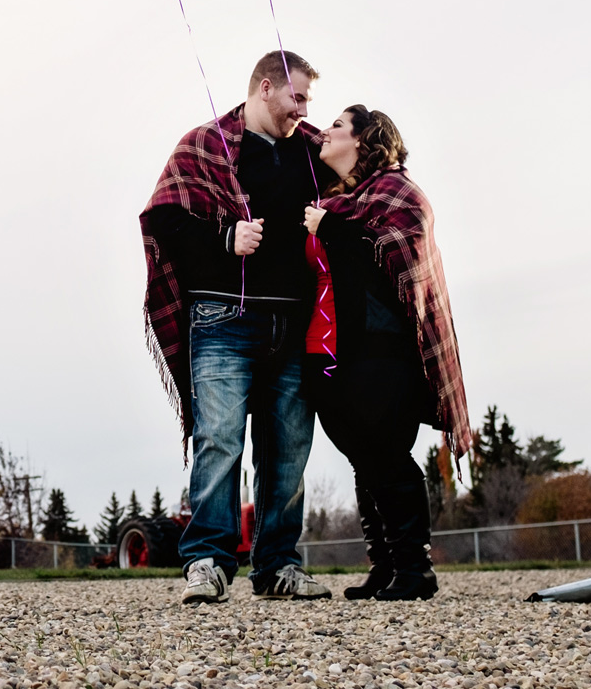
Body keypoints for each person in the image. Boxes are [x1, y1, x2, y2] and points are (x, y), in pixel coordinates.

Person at [141, 51, 336, 604]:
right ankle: (207, 561)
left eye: (308, 101)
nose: (303, 110)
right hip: (224, 318)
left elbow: (356, 187)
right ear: (266, 87)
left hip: (295, 322)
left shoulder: (314, 152)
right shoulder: (204, 144)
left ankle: (277, 565)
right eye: (297, 97)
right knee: (219, 440)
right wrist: (225, 237)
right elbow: (163, 220)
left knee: (288, 448)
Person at [303, 105, 473, 601]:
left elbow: (390, 259)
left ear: (365, 140)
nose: (327, 132)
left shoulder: (398, 194)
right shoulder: (338, 200)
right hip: (336, 349)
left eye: (337, 125)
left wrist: (331, 229)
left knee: (387, 455)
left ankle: (415, 569)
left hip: (384, 351)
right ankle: (386, 566)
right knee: (364, 459)